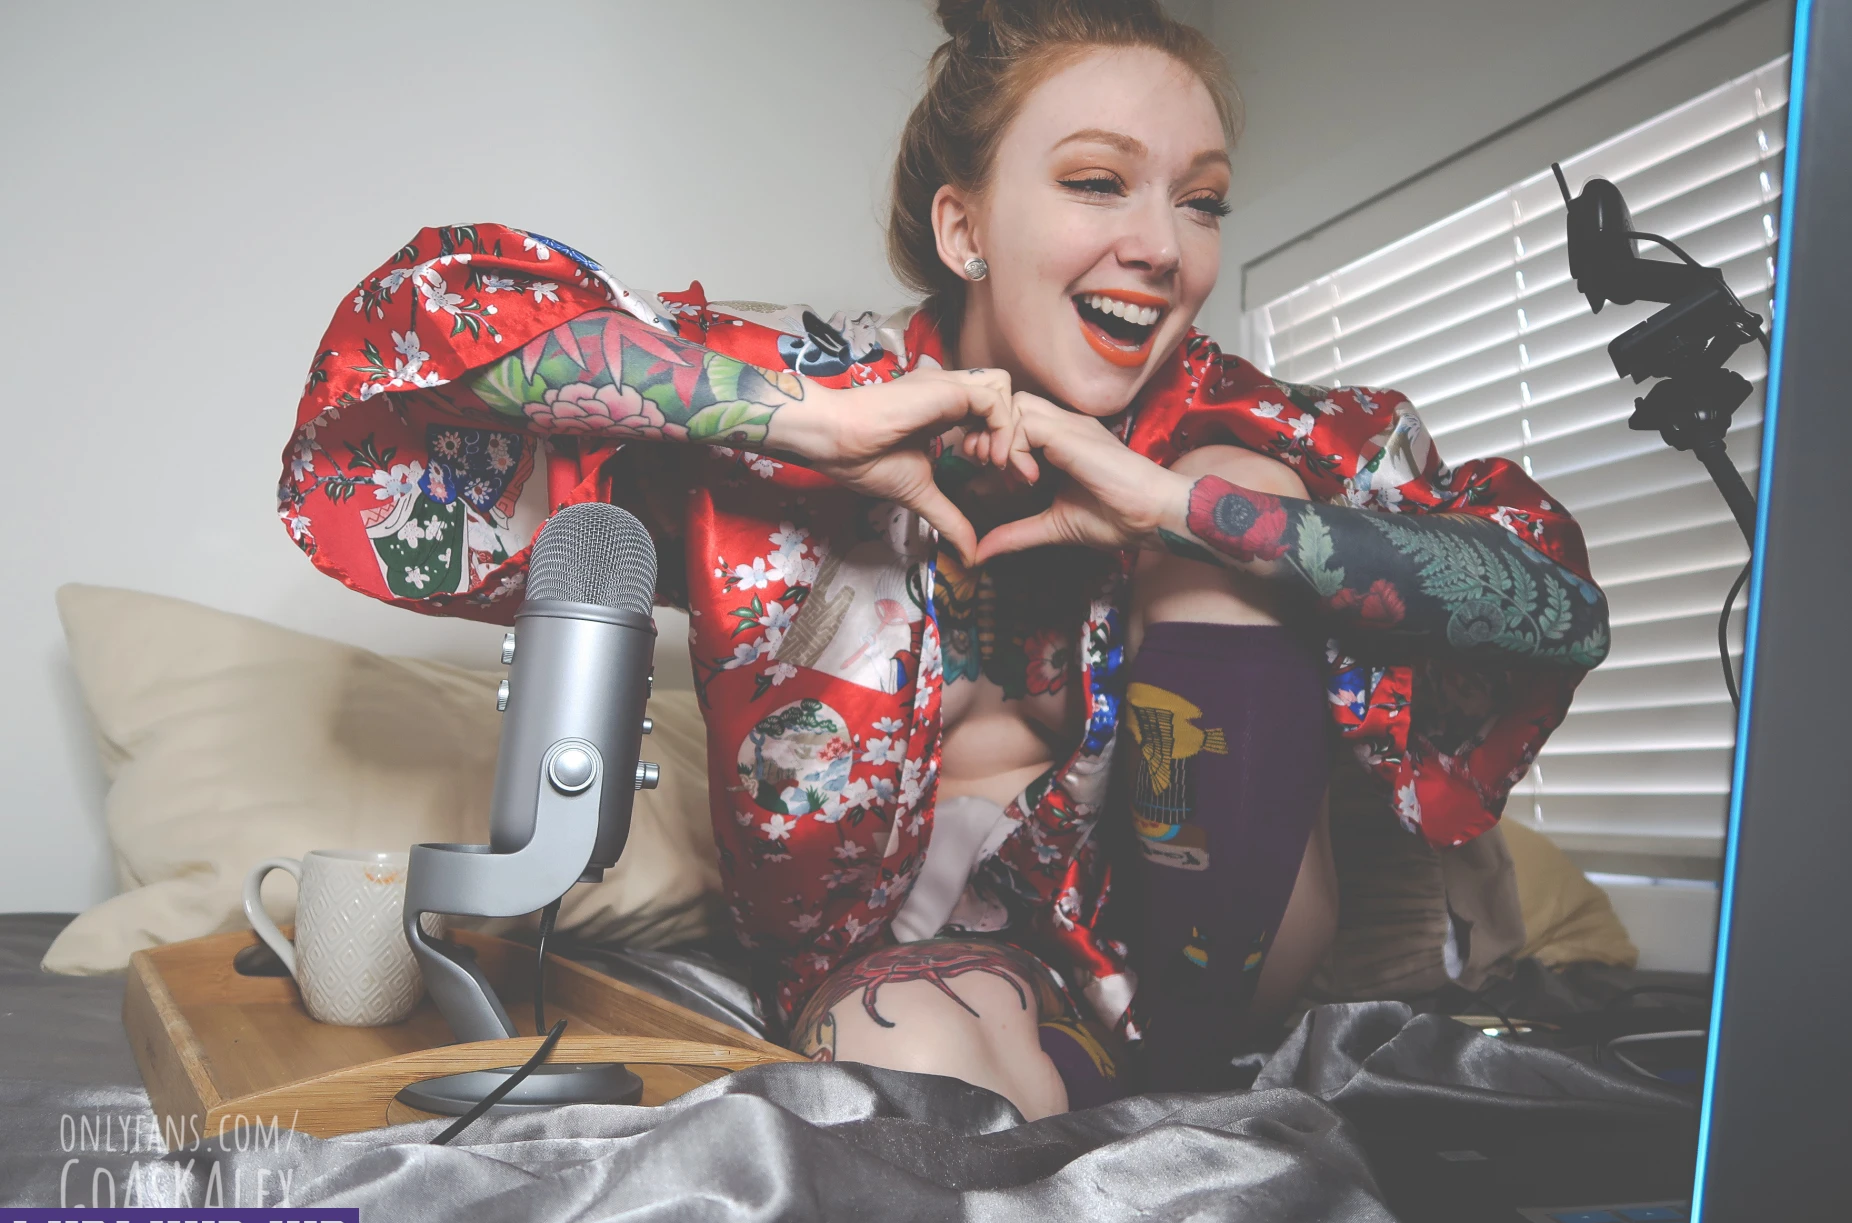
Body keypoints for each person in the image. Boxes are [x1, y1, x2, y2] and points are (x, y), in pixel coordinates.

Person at [277, 0, 1608, 1118]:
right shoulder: (813, 390)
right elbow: (400, 359)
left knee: (1239, 500)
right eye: (1097, 181)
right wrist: (802, 426)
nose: (1161, 246)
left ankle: (1195, 1104)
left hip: (1200, 978)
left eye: (1200, 201)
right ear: (965, 229)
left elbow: (1560, 611)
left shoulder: (1234, 422)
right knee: (918, 1055)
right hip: (886, 974)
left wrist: (1175, 511)